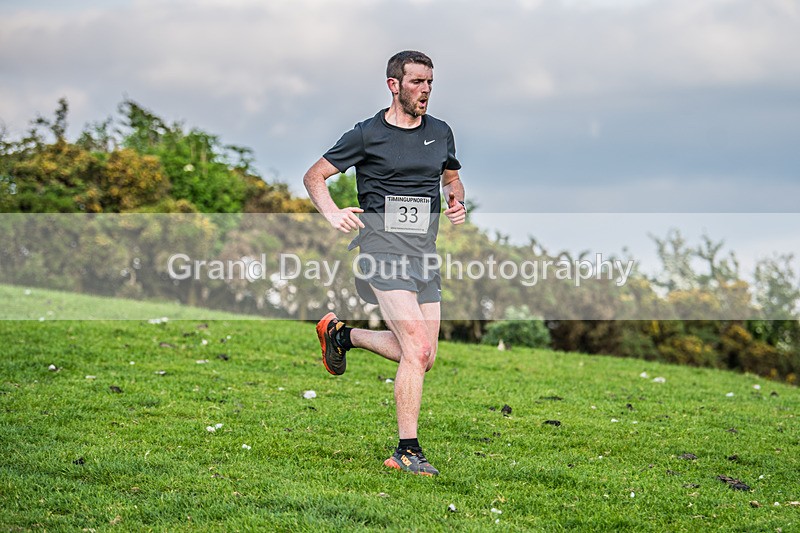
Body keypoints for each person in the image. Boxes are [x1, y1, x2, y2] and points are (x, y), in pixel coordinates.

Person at [303, 50, 466, 476]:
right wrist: (332, 212)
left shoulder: (441, 132)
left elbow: (451, 177)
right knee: (417, 347)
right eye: (416, 82)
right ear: (394, 84)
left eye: (430, 82)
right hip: (381, 251)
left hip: (424, 256)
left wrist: (457, 199)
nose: (425, 90)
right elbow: (314, 176)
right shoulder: (367, 134)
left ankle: (342, 335)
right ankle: (406, 450)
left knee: (424, 356)